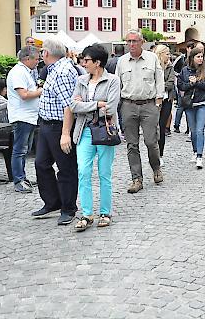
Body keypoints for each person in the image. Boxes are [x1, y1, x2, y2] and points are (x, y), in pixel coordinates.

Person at [69, 44, 121, 232]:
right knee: (83, 171)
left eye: (87, 60)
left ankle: (105, 212)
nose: (83, 63)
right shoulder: (81, 80)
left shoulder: (113, 80)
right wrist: (96, 104)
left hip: (104, 130)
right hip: (84, 130)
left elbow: (111, 108)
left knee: (104, 173)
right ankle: (86, 214)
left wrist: (86, 104)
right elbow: (73, 106)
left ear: (97, 62)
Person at [32, 37, 79, 225]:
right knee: (41, 164)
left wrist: (65, 133)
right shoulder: (54, 69)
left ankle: (68, 208)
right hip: (46, 124)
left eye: (42, 51)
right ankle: (52, 202)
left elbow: (69, 105)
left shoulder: (63, 71)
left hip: (58, 126)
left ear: (46, 53)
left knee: (65, 168)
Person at [116, 30, 165, 194]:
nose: (131, 44)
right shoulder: (122, 61)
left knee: (151, 141)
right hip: (128, 104)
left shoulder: (152, 58)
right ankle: (136, 178)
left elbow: (160, 80)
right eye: (128, 41)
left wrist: (158, 101)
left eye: (134, 41)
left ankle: (156, 167)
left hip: (149, 104)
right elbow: (117, 84)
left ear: (141, 42)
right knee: (131, 144)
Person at [7, 46, 43, 193]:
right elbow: (24, 94)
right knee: (20, 150)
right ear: (27, 59)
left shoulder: (25, 71)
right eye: (36, 59)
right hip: (22, 116)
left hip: (28, 116)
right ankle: (19, 180)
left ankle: (22, 177)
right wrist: (40, 91)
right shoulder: (18, 72)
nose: (38, 62)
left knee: (24, 149)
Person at [177, 47, 205, 169]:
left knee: (199, 130)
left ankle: (199, 156)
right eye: (198, 56)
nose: (200, 59)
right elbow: (180, 85)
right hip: (189, 104)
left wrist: (197, 82)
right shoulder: (185, 71)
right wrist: (190, 84)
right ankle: (194, 151)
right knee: (193, 131)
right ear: (192, 58)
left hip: (203, 102)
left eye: (202, 56)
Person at [153, 44, 176, 165]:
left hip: (166, 100)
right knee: (153, 129)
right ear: (161, 54)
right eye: (167, 54)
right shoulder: (152, 66)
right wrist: (160, 86)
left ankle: (160, 154)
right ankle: (153, 152)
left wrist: (159, 86)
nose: (169, 56)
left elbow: (171, 83)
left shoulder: (170, 67)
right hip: (153, 100)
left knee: (162, 128)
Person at [173, 41, 195, 134]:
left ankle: (188, 128)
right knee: (180, 107)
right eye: (190, 48)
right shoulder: (181, 58)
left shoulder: (194, 59)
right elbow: (173, 68)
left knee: (189, 106)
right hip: (182, 84)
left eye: (193, 48)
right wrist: (178, 76)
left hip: (191, 85)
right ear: (187, 48)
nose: (191, 49)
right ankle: (176, 125)